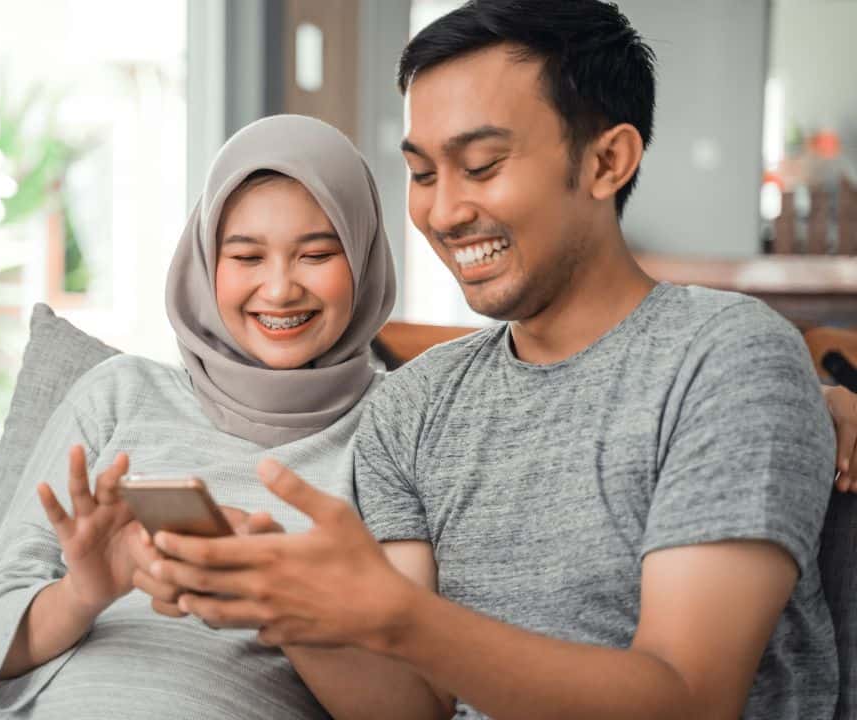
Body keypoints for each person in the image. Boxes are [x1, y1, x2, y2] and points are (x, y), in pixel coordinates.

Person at [145, 2, 844, 718]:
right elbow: (413, 709)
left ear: (607, 161)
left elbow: (689, 699)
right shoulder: (410, 408)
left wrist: (398, 617)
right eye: (421, 174)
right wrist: (293, 610)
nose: (443, 213)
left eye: (480, 165)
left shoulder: (723, 360)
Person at [0, 113, 396, 719]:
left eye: (316, 254)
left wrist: (281, 603)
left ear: (365, 254)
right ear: (205, 263)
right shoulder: (120, 393)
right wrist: (85, 591)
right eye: (245, 256)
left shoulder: (395, 428)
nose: (279, 288)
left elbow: (411, 703)